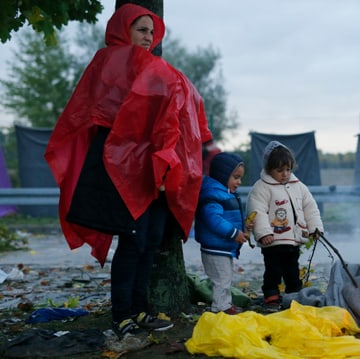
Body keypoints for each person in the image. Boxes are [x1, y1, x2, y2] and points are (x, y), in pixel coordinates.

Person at [44, 4, 212, 338]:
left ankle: (140, 311)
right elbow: (101, 112)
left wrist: (166, 159)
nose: (148, 37)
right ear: (124, 30)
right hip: (120, 164)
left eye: (152, 31)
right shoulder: (109, 61)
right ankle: (122, 315)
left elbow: (169, 109)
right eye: (141, 30)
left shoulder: (157, 69)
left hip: (152, 165)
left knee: (149, 241)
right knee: (133, 241)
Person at [247, 141, 324, 312]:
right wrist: (263, 233)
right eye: (279, 170)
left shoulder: (298, 186)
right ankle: (272, 296)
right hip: (272, 240)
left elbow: (310, 207)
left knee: (292, 271)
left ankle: (294, 296)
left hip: (293, 240)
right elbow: (257, 211)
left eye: (288, 169)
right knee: (273, 270)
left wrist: (315, 228)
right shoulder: (261, 188)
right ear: (269, 169)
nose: (284, 174)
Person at [194, 152, 249, 315]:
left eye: (240, 178)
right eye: (236, 177)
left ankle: (224, 305)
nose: (239, 182)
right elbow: (213, 219)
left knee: (225, 278)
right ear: (223, 175)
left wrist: (245, 226)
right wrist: (233, 233)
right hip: (215, 247)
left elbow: (230, 216)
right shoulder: (213, 195)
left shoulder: (224, 193)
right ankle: (221, 308)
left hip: (222, 247)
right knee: (222, 280)